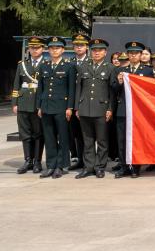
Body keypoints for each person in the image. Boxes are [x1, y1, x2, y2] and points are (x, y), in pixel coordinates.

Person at [110, 41, 154, 178]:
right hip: (123, 109)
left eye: (136, 53)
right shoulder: (121, 70)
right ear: (127, 55)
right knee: (122, 140)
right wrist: (119, 82)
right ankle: (124, 167)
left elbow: (151, 90)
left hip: (140, 111)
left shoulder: (147, 71)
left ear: (141, 55)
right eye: (131, 53)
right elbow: (113, 90)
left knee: (138, 139)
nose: (133, 55)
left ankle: (136, 167)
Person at [36, 36, 77, 179]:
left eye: (57, 48)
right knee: (49, 138)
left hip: (61, 107)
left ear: (63, 50)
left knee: (63, 137)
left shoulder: (69, 66)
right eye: (52, 48)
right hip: (46, 106)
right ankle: (51, 165)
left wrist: (70, 107)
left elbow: (71, 89)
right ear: (48, 50)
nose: (54, 50)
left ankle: (61, 165)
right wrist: (39, 106)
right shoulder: (44, 66)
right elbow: (40, 88)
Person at [74, 38, 113, 178]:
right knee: (88, 140)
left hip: (101, 109)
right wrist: (77, 107)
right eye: (94, 50)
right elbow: (79, 88)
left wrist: (110, 108)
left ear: (105, 52)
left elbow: (111, 91)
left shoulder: (110, 68)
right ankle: (88, 167)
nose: (96, 53)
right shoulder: (83, 66)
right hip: (85, 108)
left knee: (102, 141)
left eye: (100, 50)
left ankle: (100, 167)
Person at [12, 35, 46, 174]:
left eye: (37, 48)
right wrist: (14, 103)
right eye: (32, 48)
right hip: (24, 102)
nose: (34, 50)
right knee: (25, 133)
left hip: (38, 102)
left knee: (38, 133)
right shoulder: (22, 64)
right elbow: (16, 84)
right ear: (29, 49)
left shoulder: (46, 64)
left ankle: (37, 161)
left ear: (42, 49)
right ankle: (27, 160)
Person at [68, 33, 90, 171]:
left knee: (87, 135)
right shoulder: (69, 62)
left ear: (86, 47)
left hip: (87, 102)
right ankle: (80, 159)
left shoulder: (91, 62)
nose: (79, 48)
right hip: (72, 103)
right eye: (76, 45)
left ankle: (88, 161)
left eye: (81, 45)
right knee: (75, 133)